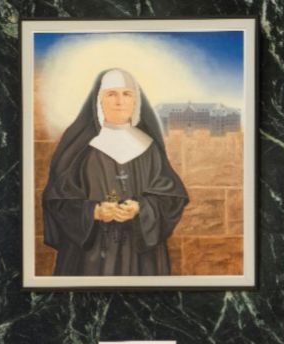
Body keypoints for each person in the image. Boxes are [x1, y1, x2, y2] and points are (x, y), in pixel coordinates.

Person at [42, 68, 189, 276]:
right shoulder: (78, 147)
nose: (120, 101)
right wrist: (93, 212)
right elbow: (57, 200)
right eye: (111, 94)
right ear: (99, 100)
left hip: (141, 255)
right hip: (90, 256)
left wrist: (141, 208)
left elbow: (171, 198)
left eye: (127, 94)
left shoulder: (149, 146)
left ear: (136, 101)